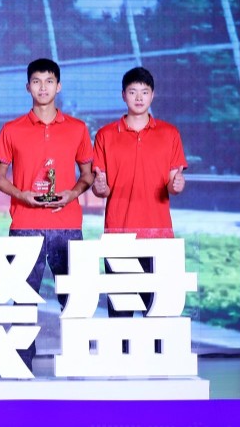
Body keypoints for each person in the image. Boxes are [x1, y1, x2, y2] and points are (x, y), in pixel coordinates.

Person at [0, 58, 94, 372]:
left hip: (67, 225)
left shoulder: (77, 129)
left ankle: (78, 364)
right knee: (23, 300)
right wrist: (22, 195)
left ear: (58, 86)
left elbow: (88, 175)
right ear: (28, 87)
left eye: (49, 81)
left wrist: (72, 194)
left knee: (74, 299)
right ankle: (21, 368)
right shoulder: (11, 129)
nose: (43, 87)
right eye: (36, 81)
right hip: (25, 225)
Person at [92, 66, 187, 316]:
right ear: (123, 95)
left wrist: (177, 185)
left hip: (158, 234)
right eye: (133, 91)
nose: (138, 97)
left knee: (157, 314)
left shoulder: (169, 133)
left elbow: (173, 182)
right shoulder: (105, 135)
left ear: (152, 95)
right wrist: (99, 188)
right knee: (121, 314)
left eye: (144, 92)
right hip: (119, 232)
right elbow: (102, 184)